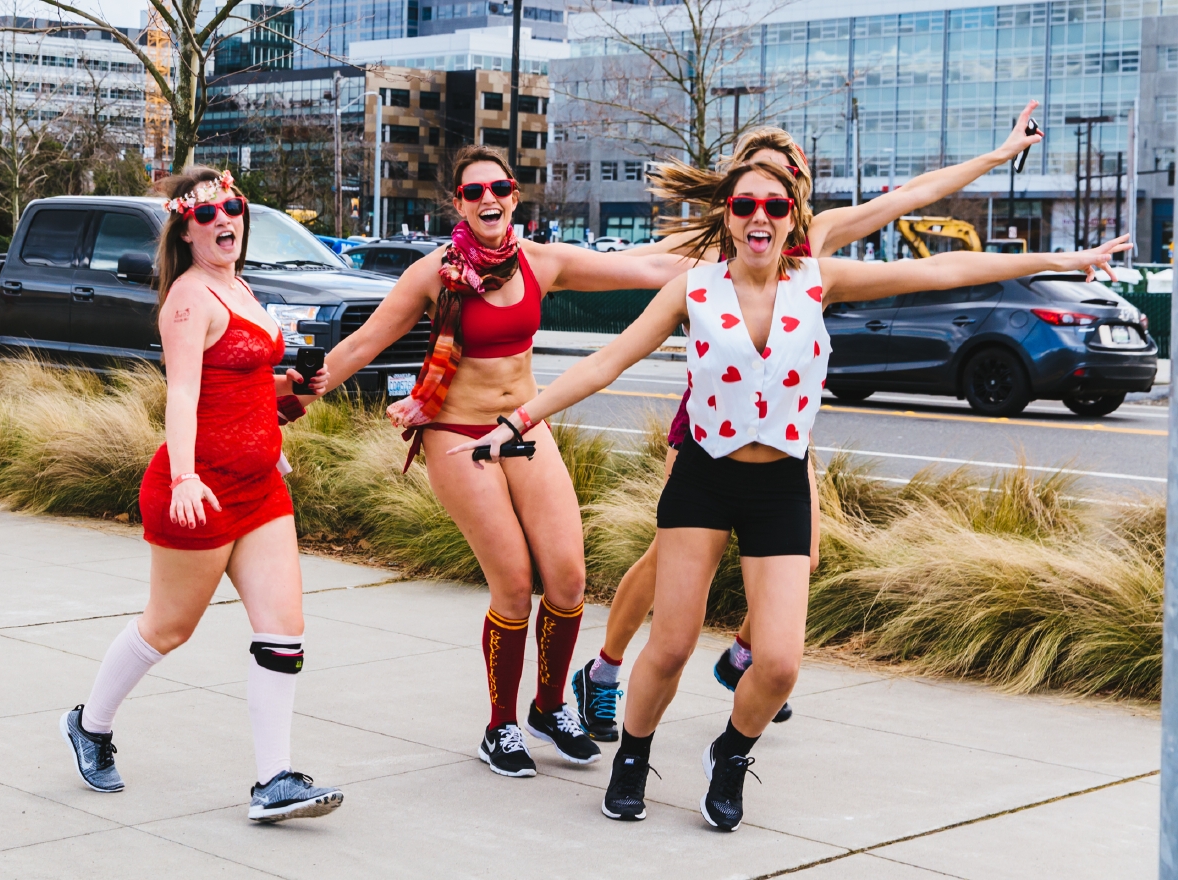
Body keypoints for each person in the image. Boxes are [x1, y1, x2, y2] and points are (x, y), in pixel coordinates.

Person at [449, 159, 1129, 829]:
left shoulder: (815, 281)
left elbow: (941, 269)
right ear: (727, 214)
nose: (759, 219)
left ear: (793, 217)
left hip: (778, 484)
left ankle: (731, 752)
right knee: (674, 644)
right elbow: (606, 361)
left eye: (774, 208)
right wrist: (517, 421)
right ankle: (634, 756)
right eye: (745, 206)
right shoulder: (695, 286)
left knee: (777, 667)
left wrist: (1069, 261)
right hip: (705, 477)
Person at [569, 103, 1048, 742]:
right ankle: (603, 672)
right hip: (710, 426)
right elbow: (632, 273)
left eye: (786, 184)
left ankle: (746, 659)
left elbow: (913, 195)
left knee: (806, 553)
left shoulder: (815, 239)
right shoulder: (716, 247)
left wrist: (998, 154)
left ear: (796, 192)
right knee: (666, 561)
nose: (767, 203)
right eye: (755, 187)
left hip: (787, 429)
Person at [317, 145, 697, 778]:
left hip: (523, 426)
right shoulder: (433, 273)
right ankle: (501, 726)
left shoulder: (541, 263)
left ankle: (551, 707)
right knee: (515, 585)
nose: (488, 199)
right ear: (459, 204)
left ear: (515, 195)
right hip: (456, 433)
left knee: (570, 578)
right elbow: (359, 345)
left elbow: (650, 266)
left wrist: (733, 251)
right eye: (473, 192)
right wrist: (290, 394)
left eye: (499, 187)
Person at [59, 167, 343, 823]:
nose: (226, 220)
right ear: (186, 228)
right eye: (209, 212)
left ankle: (274, 780)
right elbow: (183, 395)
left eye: (234, 207)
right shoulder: (189, 300)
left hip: (261, 489)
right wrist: (186, 477)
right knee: (169, 628)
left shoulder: (238, 285)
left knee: (284, 632)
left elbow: (243, 389)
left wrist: (293, 391)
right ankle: (90, 725)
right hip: (199, 490)